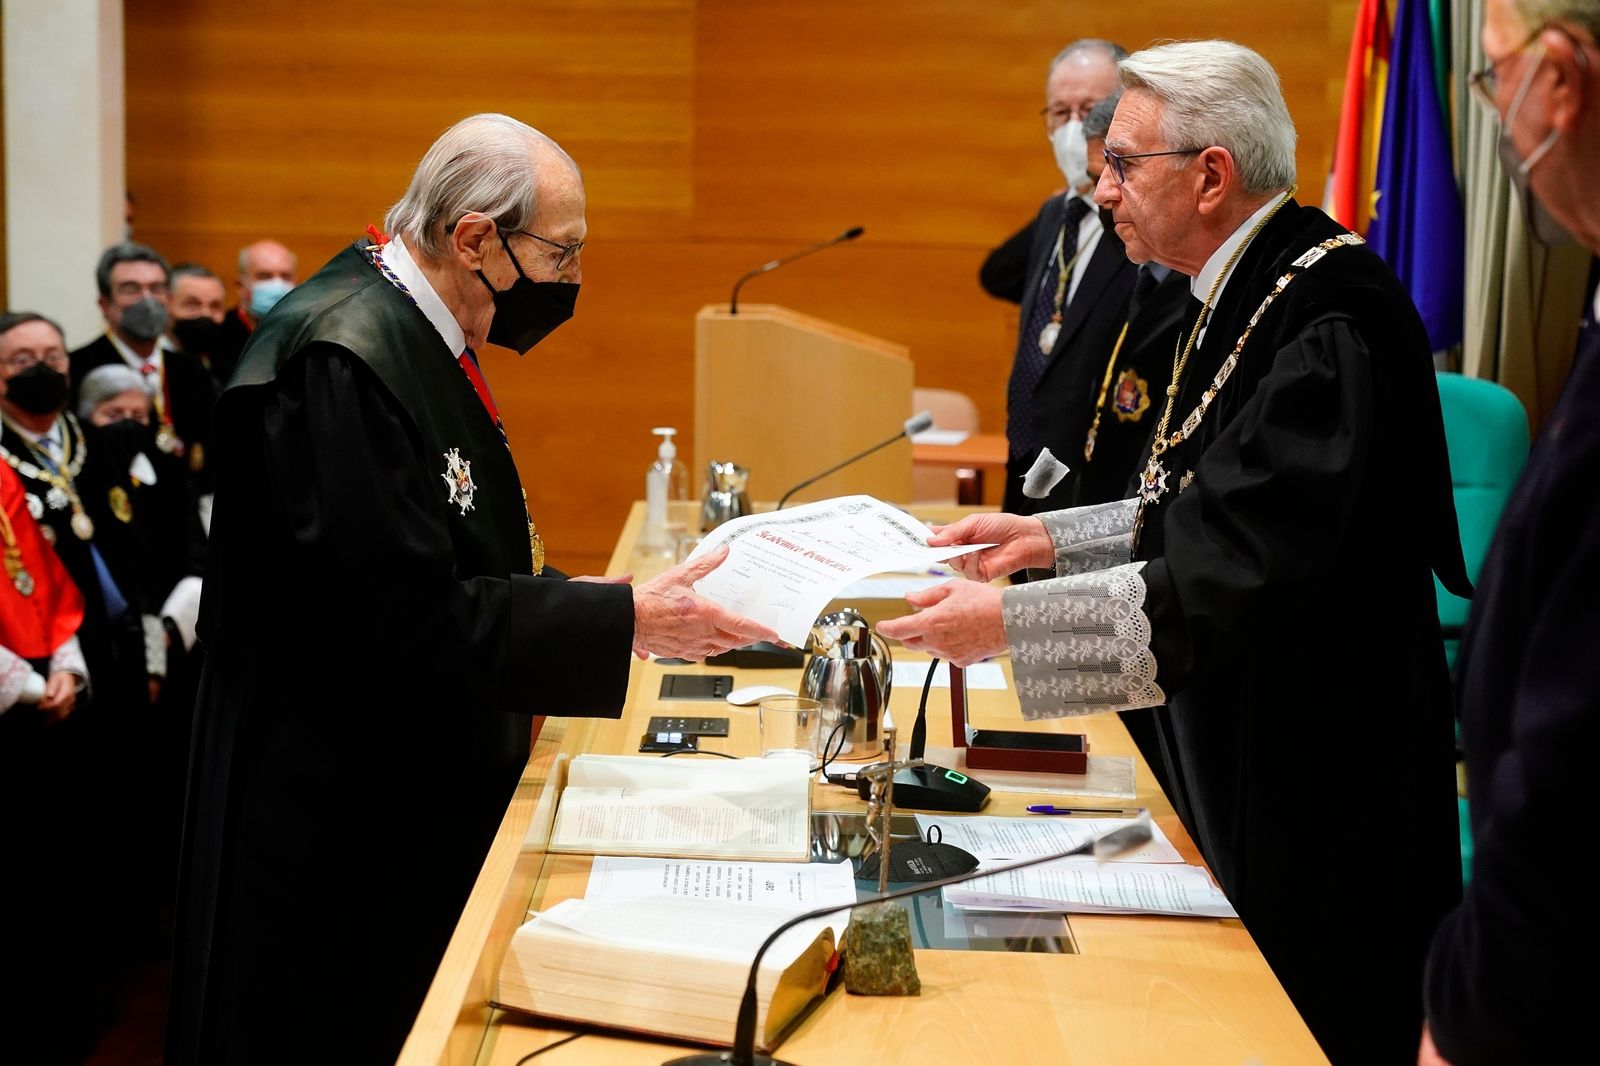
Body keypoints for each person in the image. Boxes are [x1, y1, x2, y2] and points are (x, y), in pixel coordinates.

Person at [879, 41, 1469, 1065]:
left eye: (1122, 165)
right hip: (1248, 740)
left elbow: (1228, 568)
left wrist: (1010, 625)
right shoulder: (1228, 288)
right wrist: (1049, 538)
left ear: (1209, 175)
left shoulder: (1326, 315)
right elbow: (1189, 507)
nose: (1099, 190)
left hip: (1319, 782)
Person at [168, 112, 778, 1065]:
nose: (572, 282)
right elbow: (396, 625)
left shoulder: (413, 324)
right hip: (332, 821)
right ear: (474, 237)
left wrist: (591, 603)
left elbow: (439, 549)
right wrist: (617, 621)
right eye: (561, 252)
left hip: (392, 781)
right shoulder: (342, 358)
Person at [1419, 2, 1600, 1062]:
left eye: (1490, 79)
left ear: (1560, 83)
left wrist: (1468, 1006)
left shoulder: (1320, 303)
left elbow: (1575, 754)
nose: (1491, 113)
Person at [979, 39, 1131, 520]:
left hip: (1093, 485)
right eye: (1058, 112)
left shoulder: (1137, 225)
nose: (1071, 128)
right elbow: (996, 274)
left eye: (1087, 111)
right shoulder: (1056, 212)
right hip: (1024, 467)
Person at [68, 243, 220, 486]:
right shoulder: (77, 369)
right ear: (105, 304)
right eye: (131, 289)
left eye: (156, 288)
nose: (147, 299)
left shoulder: (191, 371)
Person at [211, 237, 298, 383]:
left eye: (285, 276)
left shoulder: (306, 333)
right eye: (264, 276)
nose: (277, 284)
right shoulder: (217, 335)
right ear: (240, 285)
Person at [167, 262, 230, 380]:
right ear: (166, 306)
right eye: (192, 304)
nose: (205, 313)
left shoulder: (229, 365)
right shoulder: (155, 366)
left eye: (215, 306)